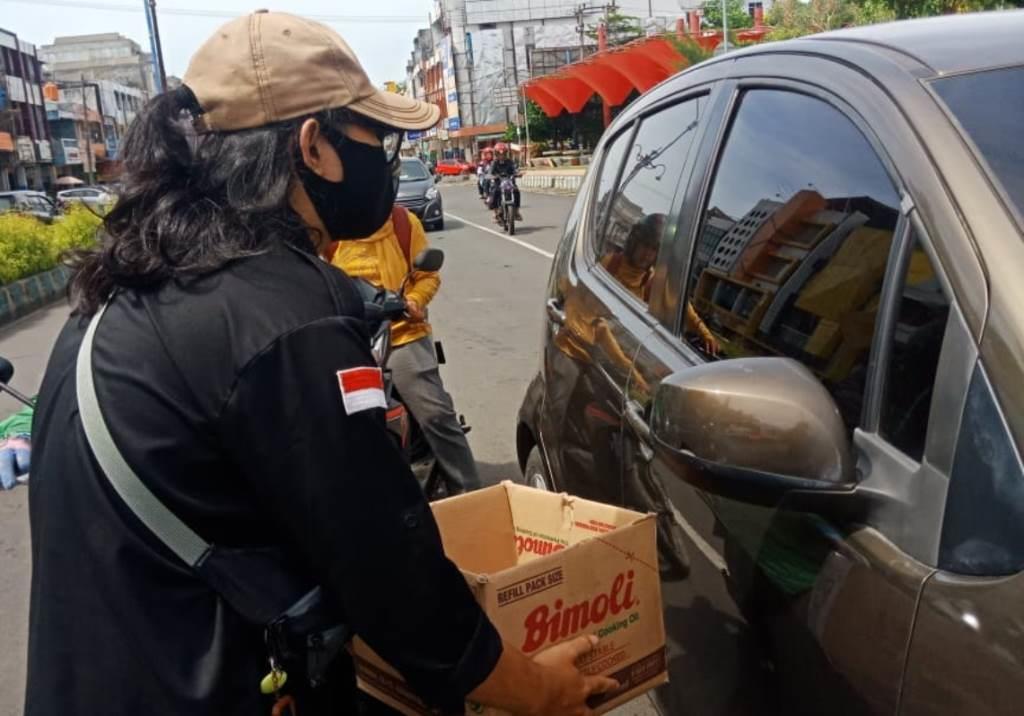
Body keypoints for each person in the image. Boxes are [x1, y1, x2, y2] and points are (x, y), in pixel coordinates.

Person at [24, 11, 615, 716]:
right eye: (378, 142)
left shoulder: (124, 294)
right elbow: (391, 575)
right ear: (315, 147)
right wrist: (542, 690)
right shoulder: (279, 321)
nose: (388, 166)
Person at [331, 204, 482, 495]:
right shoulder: (330, 230)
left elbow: (428, 276)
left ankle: (471, 496)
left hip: (403, 334)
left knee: (436, 417)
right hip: (349, 338)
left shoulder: (402, 223)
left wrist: (413, 301)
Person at [604, 214, 719, 355]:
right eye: (645, 245)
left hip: (622, 345)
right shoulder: (610, 263)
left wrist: (706, 334)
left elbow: (684, 310)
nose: (647, 253)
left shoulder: (655, 283)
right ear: (634, 241)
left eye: (654, 249)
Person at [488, 142, 522, 222]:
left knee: (516, 191)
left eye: (503, 154)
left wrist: (517, 174)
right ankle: (496, 213)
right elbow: (490, 173)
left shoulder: (509, 162)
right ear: (496, 154)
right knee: (494, 192)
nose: (501, 156)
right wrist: (492, 176)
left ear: (506, 154)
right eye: (499, 154)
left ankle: (516, 212)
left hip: (509, 182)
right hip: (498, 184)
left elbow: (515, 170)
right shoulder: (494, 163)